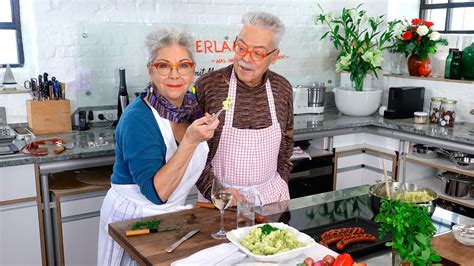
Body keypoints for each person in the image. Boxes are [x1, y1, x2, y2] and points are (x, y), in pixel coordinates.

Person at [97, 27, 219, 266]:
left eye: (183, 65)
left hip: (172, 220)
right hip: (134, 222)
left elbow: (193, 166)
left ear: (193, 70)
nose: (175, 75)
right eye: (164, 66)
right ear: (151, 71)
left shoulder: (192, 109)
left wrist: (218, 191)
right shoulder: (138, 119)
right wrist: (191, 141)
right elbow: (157, 193)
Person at [195, 11, 293, 206]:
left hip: (271, 198)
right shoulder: (209, 86)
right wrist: (215, 191)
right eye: (241, 48)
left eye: (257, 53)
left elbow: (287, 145)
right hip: (220, 201)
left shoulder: (282, 88)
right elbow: (192, 150)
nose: (245, 58)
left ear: (274, 57)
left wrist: (281, 181)